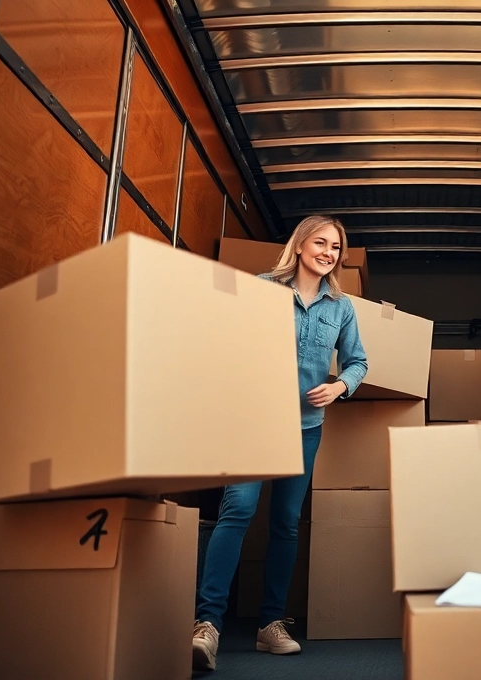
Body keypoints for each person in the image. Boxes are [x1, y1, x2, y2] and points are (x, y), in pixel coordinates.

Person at [191, 215, 368, 672]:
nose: (328, 252)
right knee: (238, 512)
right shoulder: (261, 287)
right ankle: (207, 625)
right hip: (254, 422)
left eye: (336, 247)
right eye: (321, 242)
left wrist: (339, 387)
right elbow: (229, 345)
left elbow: (358, 362)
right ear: (301, 243)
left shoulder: (341, 307)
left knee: (286, 524)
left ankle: (271, 625)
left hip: (307, 426)